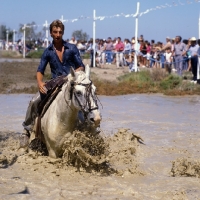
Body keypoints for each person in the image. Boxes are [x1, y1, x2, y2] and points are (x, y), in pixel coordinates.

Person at [21, 19, 85, 141]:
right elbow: (40, 70)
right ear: (51, 33)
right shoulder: (47, 52)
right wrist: (40, 83)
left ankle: (91, 129)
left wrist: (73, 75)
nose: (57, 35)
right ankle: (27, 130)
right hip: (55, 83)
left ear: (63, 33)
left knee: (85, 102)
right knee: (34, 102)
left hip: (71, 82)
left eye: (60, 32)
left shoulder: (72, 48)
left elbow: (80, 66)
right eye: (55, 32)